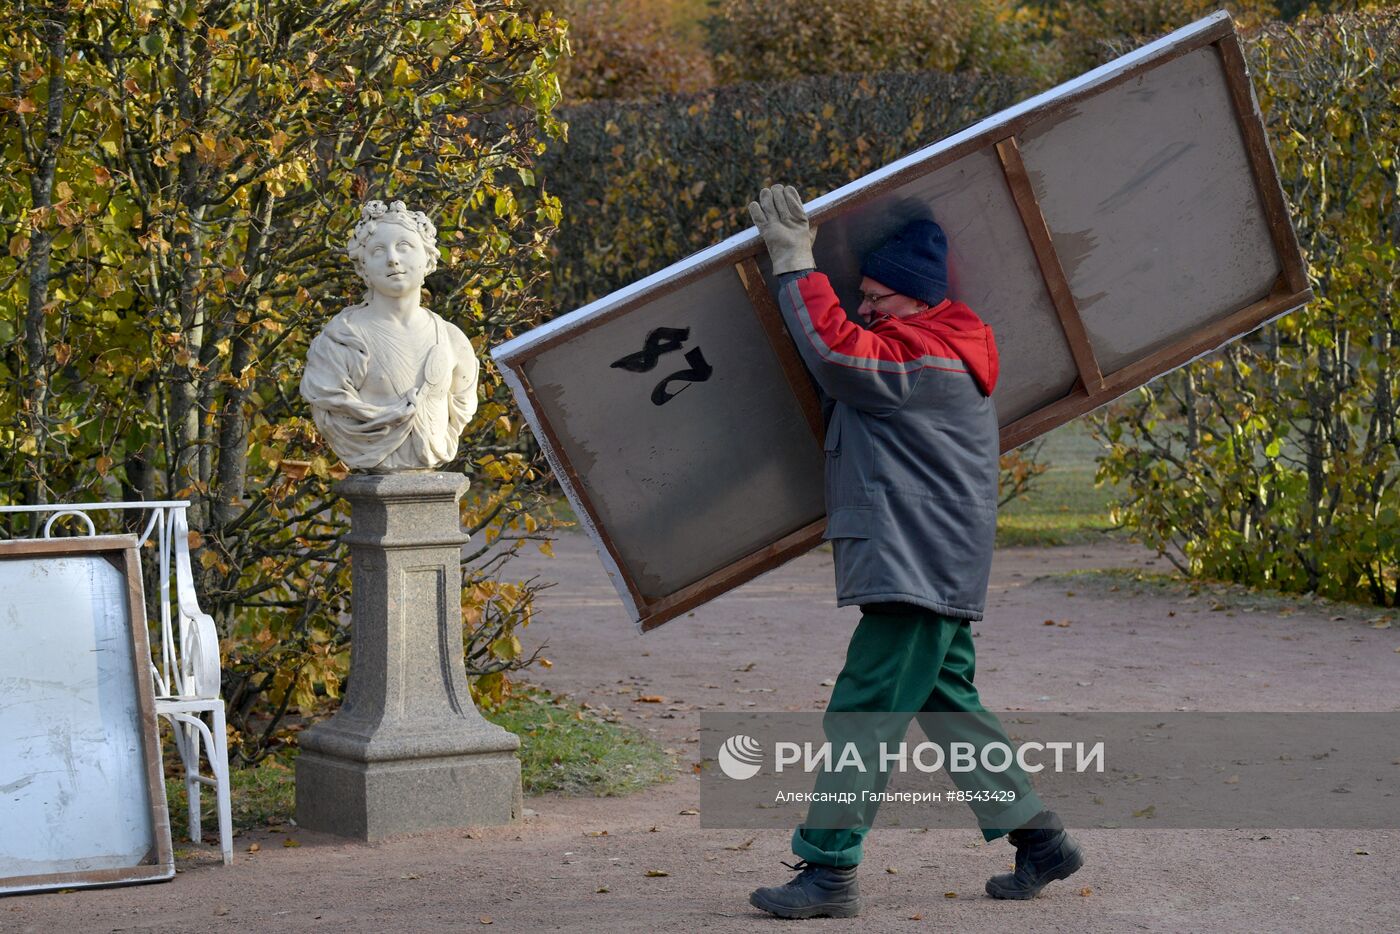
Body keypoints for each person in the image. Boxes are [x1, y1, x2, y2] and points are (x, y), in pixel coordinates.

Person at [744, 185, 1084, 920]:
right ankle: (1040, 838)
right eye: (860, 295)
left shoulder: (923, 356)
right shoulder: (935, 344)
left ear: (918, 300)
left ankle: (829, 869)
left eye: (877, 297)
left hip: (918, 568)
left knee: (863, 708)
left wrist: (795, 263)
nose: (864, 307)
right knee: (947, 700)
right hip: (929, 563)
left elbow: (836, 353)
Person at [301, 200, 479, 472]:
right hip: (373, 472)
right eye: (378, 251)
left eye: (404, 247)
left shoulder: (453, 341)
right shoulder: (340, 341)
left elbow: (462, 407)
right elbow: (332, 404)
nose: (393, 259)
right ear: (363, 268)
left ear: (428, 257)